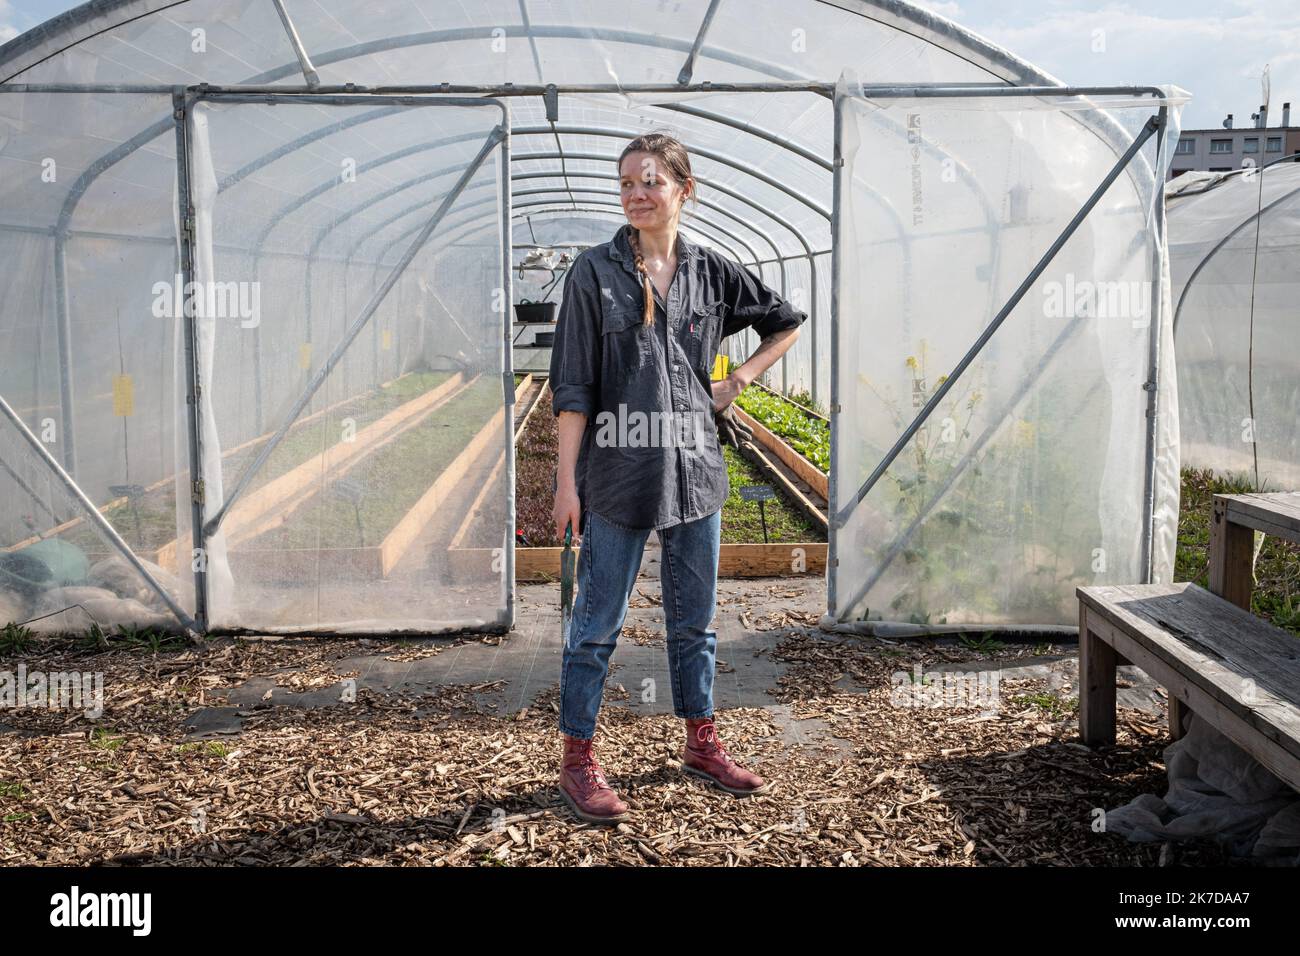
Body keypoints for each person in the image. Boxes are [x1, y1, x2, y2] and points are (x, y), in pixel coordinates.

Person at [547, 131, 806, 824]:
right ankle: (578, 761)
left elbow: (785, 323)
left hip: (695, 472)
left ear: (683, 190)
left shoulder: (711, 273)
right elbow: (572, 387)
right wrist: (566, 484)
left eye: (651, 181)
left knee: (694, 626)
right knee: (595, 626)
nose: (636, 192)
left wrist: (739, 379)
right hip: (617, 473)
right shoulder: (592, 273)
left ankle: (701, 742)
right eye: (627, 181)